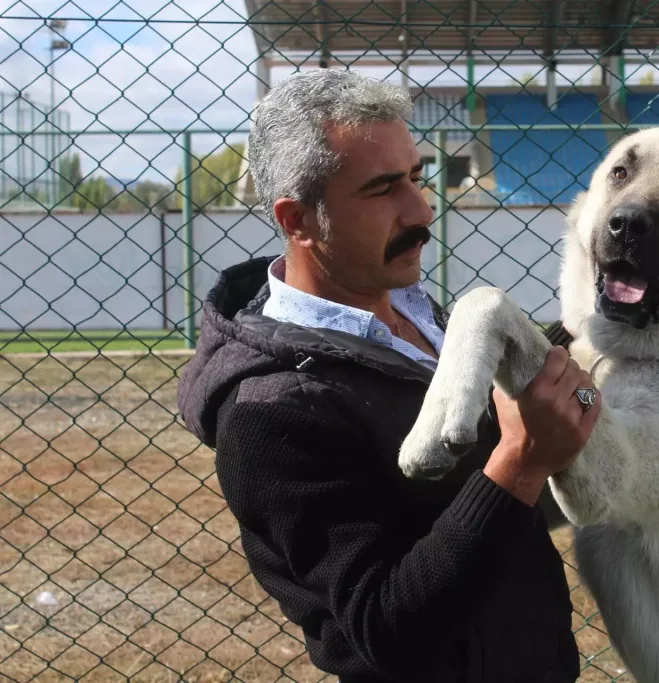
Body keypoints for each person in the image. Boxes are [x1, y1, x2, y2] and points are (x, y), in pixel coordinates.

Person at [176, 68, 601, 682]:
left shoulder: (425, 318)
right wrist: (522, 460)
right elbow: (384, 630)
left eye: (417, 176)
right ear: (298, 220)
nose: (422, 208)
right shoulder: (271, 409)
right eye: (382, 190)